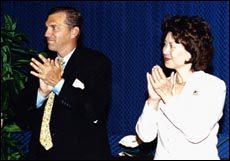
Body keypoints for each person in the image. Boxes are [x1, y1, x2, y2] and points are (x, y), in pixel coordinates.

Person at [14, 6, 112, 160]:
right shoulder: (43, 64)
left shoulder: (96, 63)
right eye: (46, 28)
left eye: (54, 28)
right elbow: (21, 116)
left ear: (74, 32)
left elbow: (94, 110)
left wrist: (58, 84)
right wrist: (41, 95)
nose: (47, 34)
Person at [135, 15, 226, 160]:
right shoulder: (164, 84)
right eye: (164, 44)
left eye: (172, 46)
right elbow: (145, 136)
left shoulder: (213, 86)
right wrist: (152, 101)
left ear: (191, 50)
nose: (165, 50)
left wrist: (167, 97)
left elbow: (197, 133)